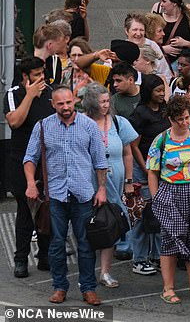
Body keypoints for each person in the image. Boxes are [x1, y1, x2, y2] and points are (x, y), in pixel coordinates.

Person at [23, 86, 108, 306]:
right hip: (55, 196)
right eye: (60, 103)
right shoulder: (43, 126)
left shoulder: (89, 126)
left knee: (86, 244)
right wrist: (31, 184)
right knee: (56, 243)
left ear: (75, 101)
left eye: (69, 102)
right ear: (53, 104)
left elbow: (100, 162)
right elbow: (29, 158)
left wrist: (101, 189)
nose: (66, 107)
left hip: (83, 195)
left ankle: (88, 288)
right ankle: (59, 287)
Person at [146, 95, 190, 304]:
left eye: (187, 117)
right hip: (170, 192)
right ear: (170, 119)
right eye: (180, 119)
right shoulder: (161, 140)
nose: (185, 122)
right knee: (170, 238)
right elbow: (152, 171)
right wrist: (156, 197)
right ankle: (168, 288)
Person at [81, 83, 138, 288]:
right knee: (88, 222)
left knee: (111, 220)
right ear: (91, 103)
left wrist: (129, 182)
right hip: (88, 179)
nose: (106, 105)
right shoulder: (82, 122)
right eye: (102, 102)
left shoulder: (117, 122)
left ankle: (107, 269)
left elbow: (127, 153)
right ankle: (86, 271)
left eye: (107, 101)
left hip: (115, 178)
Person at [3, 57, 54, 278]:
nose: (41, 78)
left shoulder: (51, 92)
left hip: (48, 161)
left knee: (47, 208)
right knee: (25, 209)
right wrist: (31, 95)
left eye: (42, 72)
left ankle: (45, 255)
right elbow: (14, 121)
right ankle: (21, 259)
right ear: (25, 77)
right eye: (36, 74)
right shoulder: (13, 94)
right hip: (20, 160)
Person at [128, 75, 170, 275]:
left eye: (163, 89)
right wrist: (144, 168)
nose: (162, 94)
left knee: (161, 212)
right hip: (144, 168)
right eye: (158, 90)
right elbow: (134, 145)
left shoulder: (164, 110)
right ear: (148, 92)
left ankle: (158, 255)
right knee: (142, 214)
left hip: (163, 168)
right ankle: (139, 258)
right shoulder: (140, 113)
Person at [124, 12, 172, 80]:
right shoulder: (121, 47)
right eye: (135, 30)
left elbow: (166, 74)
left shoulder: (153, 46)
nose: (138, 33)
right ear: (126, 30)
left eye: (141, 30)